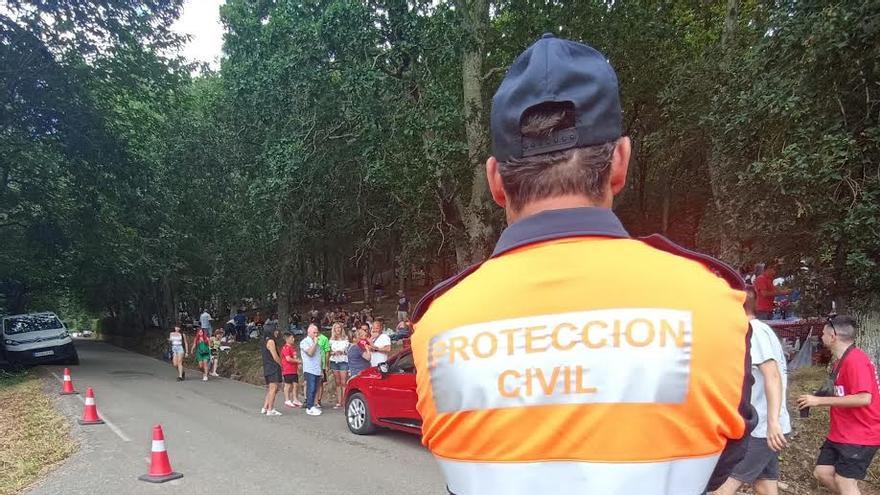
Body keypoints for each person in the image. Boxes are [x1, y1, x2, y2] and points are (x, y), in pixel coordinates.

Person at [409, 33, 754, 495]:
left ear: (495, 180)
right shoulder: (714, 304)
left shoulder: (437, 325)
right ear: (620, 161)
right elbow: (725, 460)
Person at [714, 286, 790, 495]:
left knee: (722, 488)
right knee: (765, 486)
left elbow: (772, 375)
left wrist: (773, 422)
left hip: (762, 429)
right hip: (767, 427)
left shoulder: (753, 332)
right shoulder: (761, 330)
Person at [797, 316, 880, 495]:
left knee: (844, 480)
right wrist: (814, 397)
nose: (821, 336)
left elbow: (864, 398)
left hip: (861, 433)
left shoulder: (856, 361)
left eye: (823, 333)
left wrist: (819, 401)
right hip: (842, 432)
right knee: (823, 472)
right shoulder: (839, 362)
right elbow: (840, 391)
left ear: (833, 336)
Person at [300, 324, 323, 416]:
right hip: (309, 369)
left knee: (315, 388)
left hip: (317, 369)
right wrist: (315, 343)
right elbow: (310, 353)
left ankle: (313, 405)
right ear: (309, 332)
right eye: (314, 332)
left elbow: (319, 357)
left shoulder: (317, 343)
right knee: (311, 387)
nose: (316, 334)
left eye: (317, 332)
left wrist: (321, 370)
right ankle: (309, 407)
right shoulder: (304, 342)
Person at [260, 326, 283, 416]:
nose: (276, 332)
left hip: (267, 366)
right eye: (275, 331)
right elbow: (275, 356)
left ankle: (265, 407)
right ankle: (271, 409)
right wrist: (281, 364)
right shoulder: (271, 341)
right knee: (274, 388)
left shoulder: (264, 341)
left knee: (272, 388)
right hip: (273, 366)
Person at [328, 323, 350, 409]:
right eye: (336, 328)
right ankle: (339, 401)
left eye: (339, 328)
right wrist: (333, 353)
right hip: (334, 360)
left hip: (343, 360)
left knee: (343, 382)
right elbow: (328, 351)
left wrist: (342, 352)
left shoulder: (345, 339)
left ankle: (345, 401)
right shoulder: (331, 340)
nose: (338, 329)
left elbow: (348, 350)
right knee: (337, 382)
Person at [280, 332, 302, 408]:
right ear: (287, 339)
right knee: (288, 384)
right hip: (288, 369)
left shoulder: (292, 348)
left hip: (294, 369)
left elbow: (294, 357)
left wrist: (298, 364)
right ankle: (287, 399)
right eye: (292, 338)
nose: (293, 339)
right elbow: (288, 358)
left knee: (296, 384)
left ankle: (295, 399)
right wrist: (298, 361)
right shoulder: (286, 348)